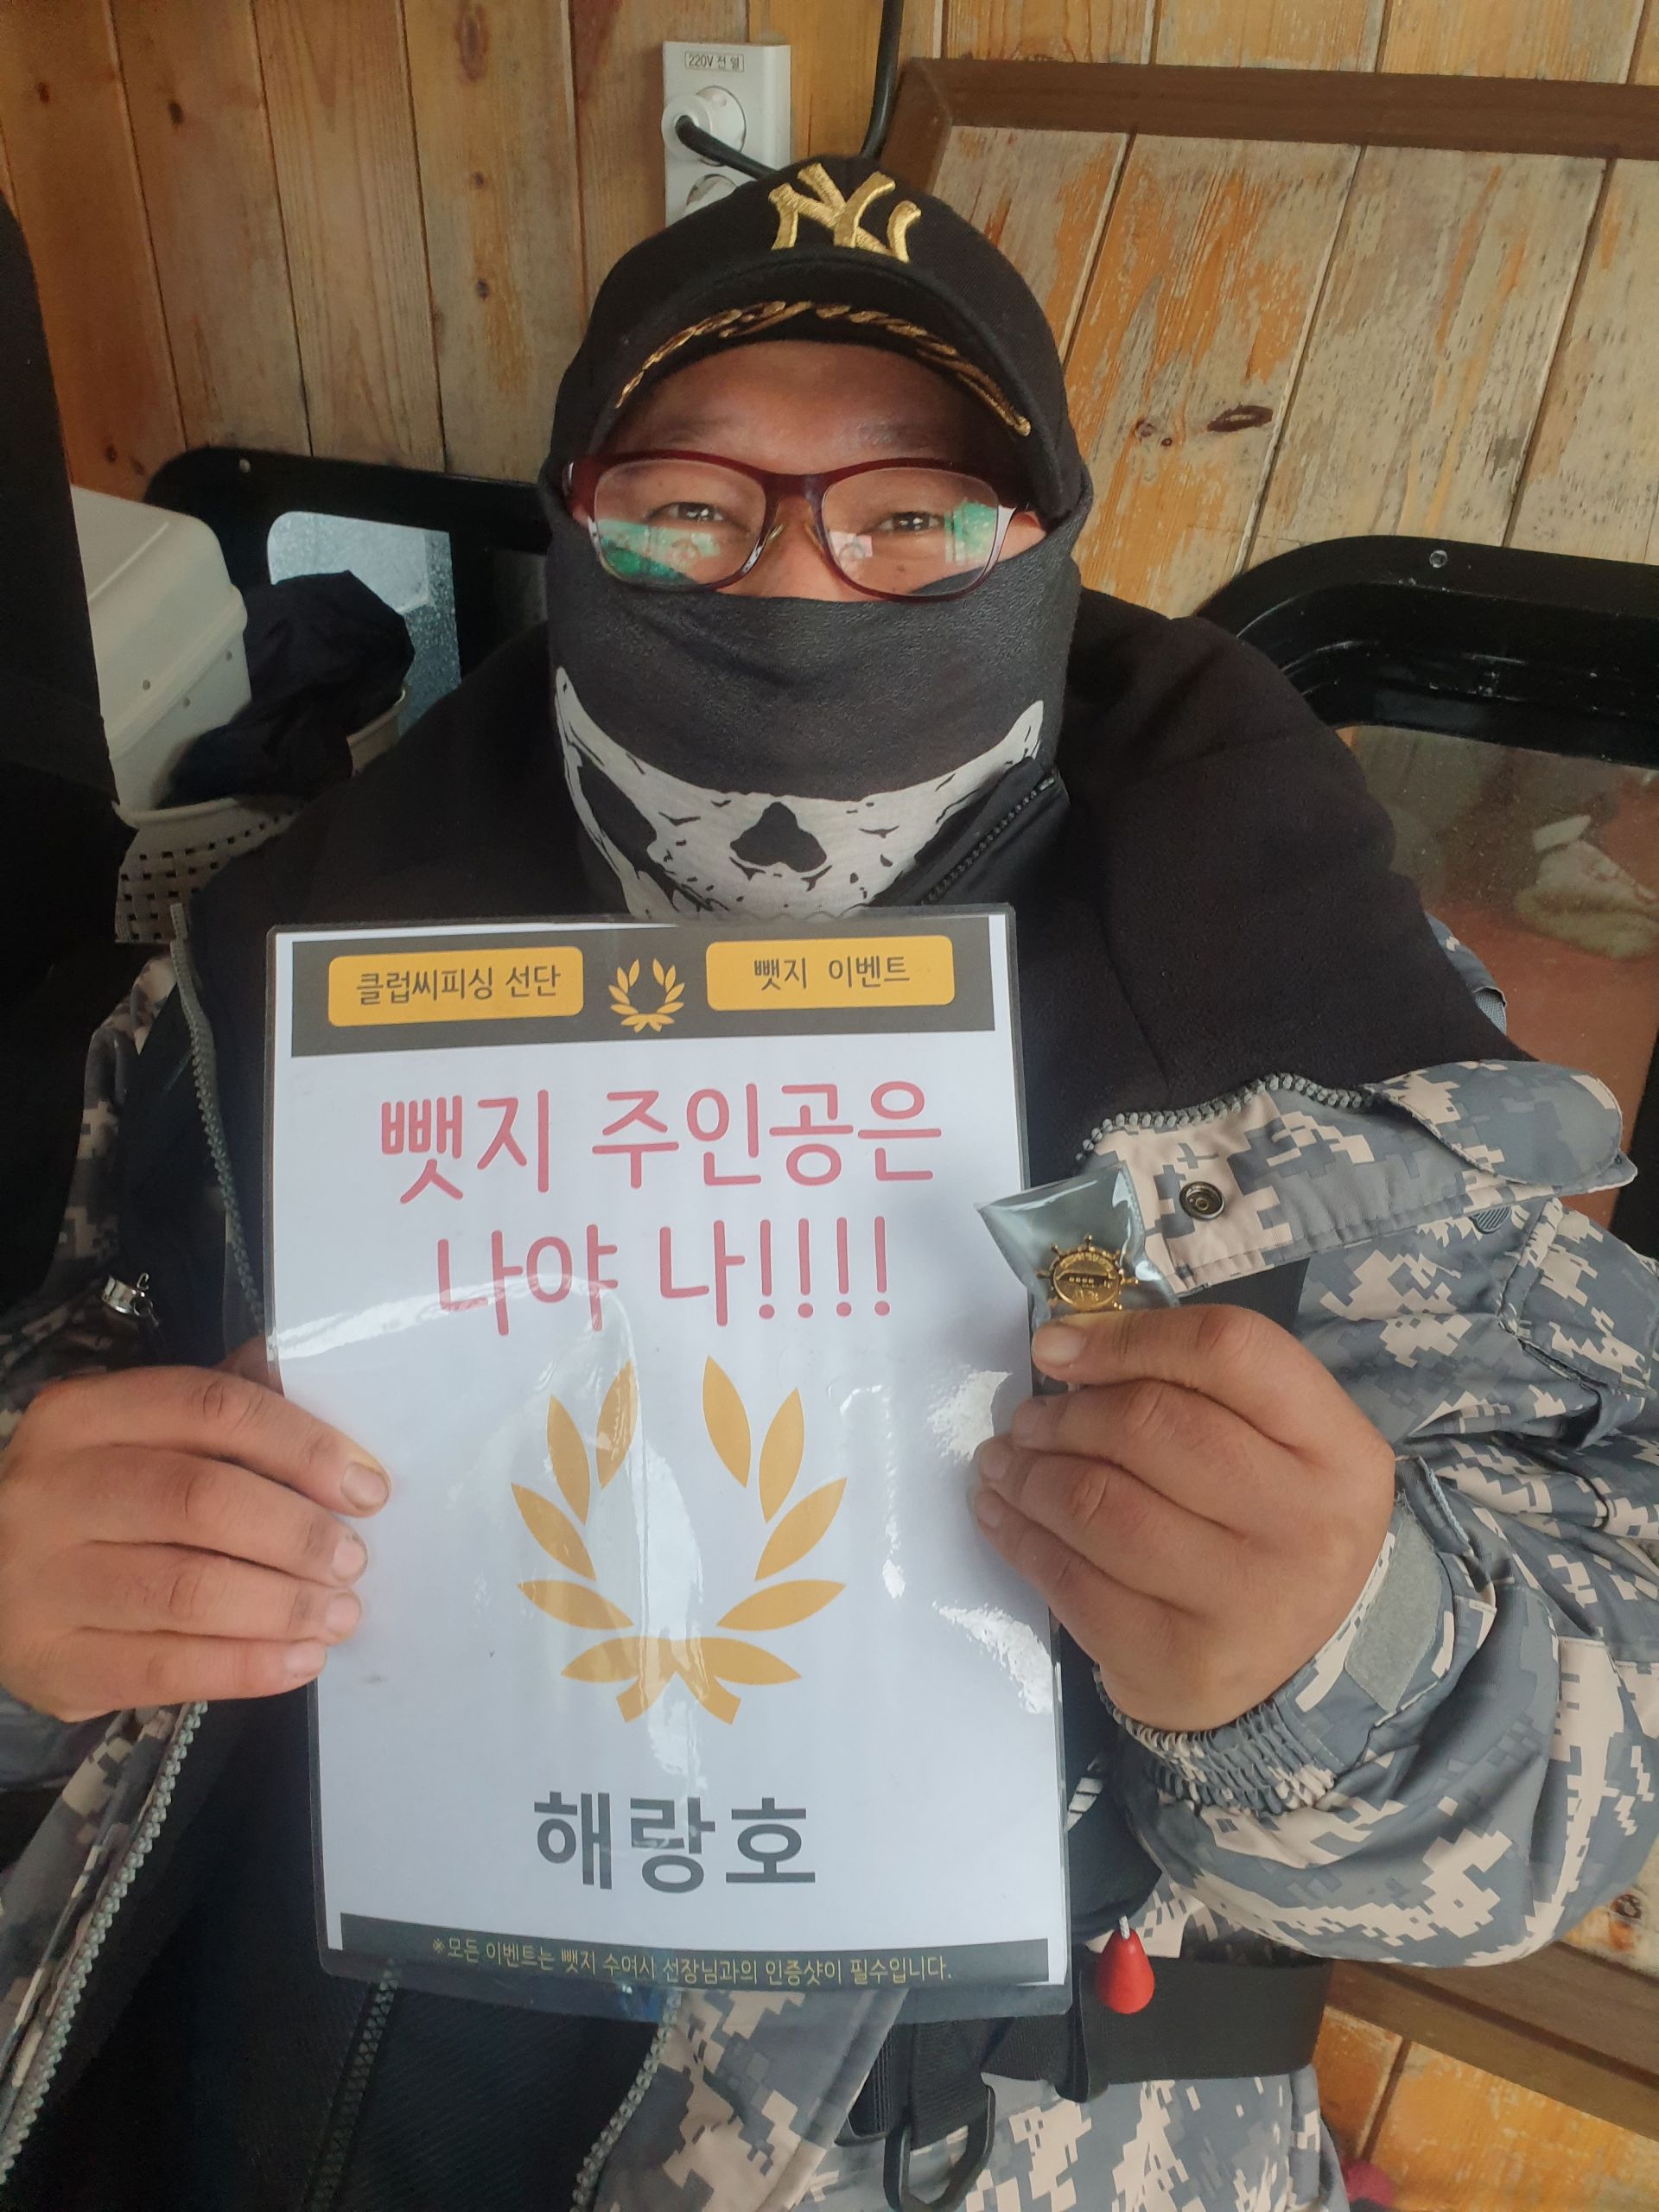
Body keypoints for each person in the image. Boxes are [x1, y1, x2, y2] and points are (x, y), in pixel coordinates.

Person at [1, 153, 1656, 2212]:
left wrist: (1333, 1651)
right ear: (575, 522)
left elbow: (1607, 1712)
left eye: (912, 512)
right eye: (689, 503)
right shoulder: (259, 980)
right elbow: (62, 1369)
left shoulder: (1316, 1043)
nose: (792, 584)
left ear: (1038, 546)